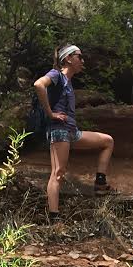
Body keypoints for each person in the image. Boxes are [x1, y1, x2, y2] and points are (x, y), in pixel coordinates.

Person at [33, 44, 115, 224]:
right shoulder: (57, 75)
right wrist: (50, 113)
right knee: (58, 172)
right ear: (68, 58)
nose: (82, 61)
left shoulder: (68, 82)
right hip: (59, 131)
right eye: (80, 57)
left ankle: (100, 183)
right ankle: (54, 219)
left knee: (107, 141)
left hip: (72, 132)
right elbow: (39, 84)